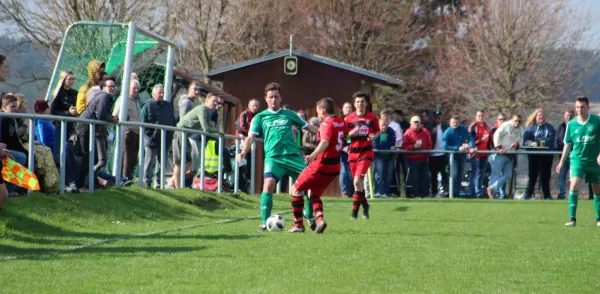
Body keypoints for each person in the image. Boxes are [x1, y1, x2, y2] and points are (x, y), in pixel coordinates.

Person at [237, 83, 318, 232]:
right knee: (268, 184)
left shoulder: (289, 114)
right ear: (265, 99)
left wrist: (325, 135)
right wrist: (242, 152)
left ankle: (308, 214)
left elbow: (308, 127)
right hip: (274, 158)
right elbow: (250, 137)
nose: (273, 100)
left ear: (280, 98)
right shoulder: (260, 118)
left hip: (293, 156)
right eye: (270, 97)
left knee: (309, 185)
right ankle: (264, 222)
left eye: (276, 97)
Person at [289, 97, 347, 233]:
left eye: (319, 112)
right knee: (313, 194)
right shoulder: (341, 122)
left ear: (324, 111)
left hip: (321, 164)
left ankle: (298, 225)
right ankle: (320, 220)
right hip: (334, 166)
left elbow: (325, 141)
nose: (318, 116)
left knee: (295, 190)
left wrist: (313, 155)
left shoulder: (326, 124)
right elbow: (341, 135)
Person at [556, 96, 600, 227]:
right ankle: (572, 219)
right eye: (577, 107)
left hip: (594, 161)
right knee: (574, 184)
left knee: (597, 190)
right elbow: (568, 144)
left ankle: (598, 219)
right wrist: (561, 162)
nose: (579, 109)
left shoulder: (597, 121)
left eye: (582, 107)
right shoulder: (572, 124)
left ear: (588, 108)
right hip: (577, 160)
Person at [74, 77, 119, 189]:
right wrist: (112, 118)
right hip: (85, 128)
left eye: (114, 86)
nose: (112, 88)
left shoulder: (103, 96)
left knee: (92, 158)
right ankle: (85, 182)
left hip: (90, 128)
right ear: (104, 87)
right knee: (88, 157)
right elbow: (101, 116)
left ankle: (89, 181)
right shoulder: (104, 97)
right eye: (110, 86)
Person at [170, 94, 220, 189]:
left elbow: (209, 127)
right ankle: (177, 187)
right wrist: (218, 131)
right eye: (213, 101)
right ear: (207, 100)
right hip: (180, 134)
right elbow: (205, 128)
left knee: (188, 162)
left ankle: (172, 183)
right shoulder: (201, 109)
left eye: (217, 102)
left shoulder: (207, 112)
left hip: (186, 136)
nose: (215, 103)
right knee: (179, 162)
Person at [345, 92, 380, 218]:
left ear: (366, 103)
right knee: (358, 185)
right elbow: (343, 136)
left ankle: (354, 213)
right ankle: (365, 205)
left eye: (362, 102)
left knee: (356, 182)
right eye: (358, 102)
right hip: (352, 154)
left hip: (366, 153)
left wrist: (373, 136)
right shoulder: (348, 119)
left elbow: (377, 132)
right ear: (354, 104)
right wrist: (350, 134)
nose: (360, 104)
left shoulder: (372, 117)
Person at [141, 84, 176, 188]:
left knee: (162, 164)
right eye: (159, 93)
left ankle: (159, 182)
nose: (161, 95)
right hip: (151, 141)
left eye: (162, 93)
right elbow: (143, 122)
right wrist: (150, 136)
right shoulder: (147, 105)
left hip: (165, 140)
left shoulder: (168, 105)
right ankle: (147, 182)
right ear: (153, 93)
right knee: (149, 163)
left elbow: (172, 121)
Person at [487, 114, 523, 199]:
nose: (517, 123)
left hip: (510, 155)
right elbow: (496, 135)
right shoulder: (506, 125)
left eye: (519, 121)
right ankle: (492, 195)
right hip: (500, 154)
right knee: (495, 175)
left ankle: (492, 188)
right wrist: (499, 148)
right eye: (515, 120)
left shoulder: (521, 128)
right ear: (512, 120)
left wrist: (517, 144)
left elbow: (521, 140)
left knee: (508, 175)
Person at [112, 79, 142, 182]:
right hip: (128, 132)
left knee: (133, 158)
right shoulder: (123, 99)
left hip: (137, 132)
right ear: (128, 88)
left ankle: (128, 177)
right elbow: (116, 114)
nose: (136, 90)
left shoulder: (137, 101)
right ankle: (124, 178)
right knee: (127, 157)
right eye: (134, 88)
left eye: (138, 88)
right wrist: (126, 129)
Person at [523, 108, 555, 200]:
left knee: (546, 175)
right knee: (533, 175)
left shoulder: (550, 128)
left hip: (547, 155)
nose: (541, 117)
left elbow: (554, 140)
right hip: (534, 155)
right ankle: (528, 194)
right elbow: (525, 141)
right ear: (535, 117)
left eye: (542, 115)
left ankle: (547, 195)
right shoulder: (530, 127)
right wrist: (532, 143)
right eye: (539, 115)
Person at [443, 116, 476, 197]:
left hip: (462, 155)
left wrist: (471, 146)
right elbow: (445, 146)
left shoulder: (462, 129)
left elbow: (470, 138)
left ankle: (457, 192)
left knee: (460, 174)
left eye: (456, 122)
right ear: (450, 123)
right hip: (452, 156)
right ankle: (452, 192)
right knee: (454, 174)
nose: (455, 124)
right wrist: (457, 148)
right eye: (453, 122)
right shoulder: (447, 132)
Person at [50, 71, 78, 163]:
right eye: (69, 79)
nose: (72, 81)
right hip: (61, 125)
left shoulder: (75, 93)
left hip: (73, 126)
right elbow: (53, 112)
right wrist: (68, 112)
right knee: (59, 152)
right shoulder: (58, 94)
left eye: (73, 79)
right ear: (63, 80)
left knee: (73, 152)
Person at [402, 115, 432, 198]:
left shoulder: (425, 131)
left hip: (423, 159)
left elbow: (429, 143)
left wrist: (427, 154)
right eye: (414, 122)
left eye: (417, 122)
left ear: (420, 123)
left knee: (425, 178)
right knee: (414, 178)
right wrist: (413, 147)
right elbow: (404, 147)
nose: (416, 124)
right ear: (411, 123)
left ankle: (425, 194)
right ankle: (415, 194)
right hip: (413, 160)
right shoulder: (408, 133)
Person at [373, 113, 396, 198]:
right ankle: (378, 192)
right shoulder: (376, 132)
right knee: (379, 175)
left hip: (389, 157)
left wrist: (386, 146)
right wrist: (387, 146)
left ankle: (386, 193)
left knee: (388, 175)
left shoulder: (390, 131)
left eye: (385, 125)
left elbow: (393, 143)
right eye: (382, 126)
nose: (384, 127)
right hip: (379, 157)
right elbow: (375, 145)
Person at [468, 109, 490, 198]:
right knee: (475, 173)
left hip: (484, 153)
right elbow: (470, 140)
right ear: (476, 117)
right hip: (475, 154)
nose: (481, 117)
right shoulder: (473, 126)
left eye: (482, 116)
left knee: (481, 173)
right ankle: (473, 192)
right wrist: (481, 141)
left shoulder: (486, 126)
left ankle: (479, 191)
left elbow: (489, 140)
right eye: (479, 116)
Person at [429, 111, 449, 197]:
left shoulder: (445, 127)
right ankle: (434, 191)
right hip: (433, 154)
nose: (437, 119)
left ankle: (445, 190)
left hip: (443, 154)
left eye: (439, 118)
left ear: (442, 118)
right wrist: (432, 132)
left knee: (444, 173)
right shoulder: (430, 126)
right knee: (433, 174)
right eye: (436, 118)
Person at [555, 110, 574, 200]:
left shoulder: (576, 126)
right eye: (567, 115)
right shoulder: (560, 127)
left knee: (573, 176)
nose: (569, 117)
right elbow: (557, 141)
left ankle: (572, 193)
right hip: (562, 156)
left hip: (574, 156)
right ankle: (561, 193)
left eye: (570, 115)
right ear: (564, 116)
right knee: (562, 176)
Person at [488, 113, 507, 198]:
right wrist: (500, 149)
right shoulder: (493, 130)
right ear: (497, 120)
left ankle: (502, 195)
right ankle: (493, 193)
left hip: (506, 155)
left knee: (505, 175)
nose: (502, 121)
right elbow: (494, 143)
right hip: (495, 155)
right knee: (495, 175)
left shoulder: (508, 129)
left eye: (503, 119)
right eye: (500, 119)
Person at [339, 102, 354, 197]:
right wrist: (343, 147)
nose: (348, 110)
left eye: (350, 108)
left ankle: (353, 191)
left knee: (352, 171)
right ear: (343, 110)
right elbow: (339, 137)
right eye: (346, 108)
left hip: (353, 149)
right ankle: (344, 192)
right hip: (344, 150)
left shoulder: (354, 122)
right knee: (344, 170)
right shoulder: (340, 122)